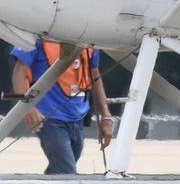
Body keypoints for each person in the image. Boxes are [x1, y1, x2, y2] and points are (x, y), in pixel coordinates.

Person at [10, 42, 113, 174]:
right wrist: (27, 108)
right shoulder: (40, 37)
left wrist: (105, 115)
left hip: (78, 117)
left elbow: (95, 75)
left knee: (58, 171)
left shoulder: (89, 40)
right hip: (49, 118)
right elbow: (19, 71)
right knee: (67, 172)